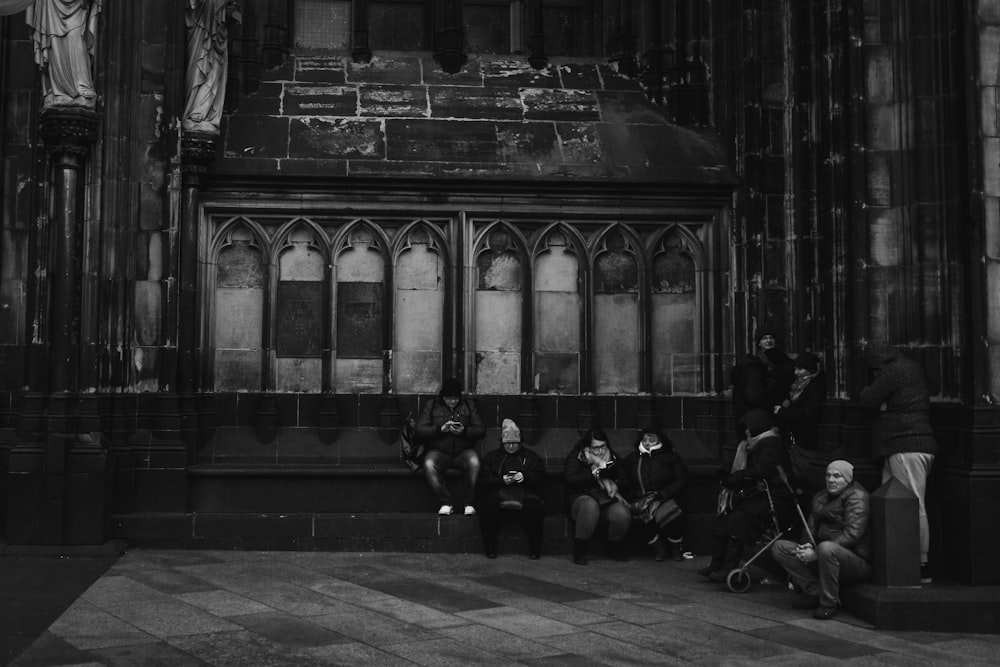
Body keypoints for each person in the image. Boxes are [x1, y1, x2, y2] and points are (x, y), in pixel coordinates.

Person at [859, 343, 938, 581]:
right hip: (907, 445)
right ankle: (899, 561)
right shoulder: (910, 367)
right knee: (894, 504)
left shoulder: (893, 371)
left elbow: (867, 399)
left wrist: (876, 397)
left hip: (905, 445)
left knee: (911, 505)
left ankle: (918, 562)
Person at [699, 409, 795, 582]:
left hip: (775, 497)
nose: (747, 433)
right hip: (761, 494)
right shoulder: (758, 444)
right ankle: (717, 562)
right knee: (726, 517)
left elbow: (760, 470)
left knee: (739, 518)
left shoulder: (770, 444)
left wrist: (736, 477)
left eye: (749, 430)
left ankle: (730, 566)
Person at [772, 460, 872, 620]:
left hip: (853, 560)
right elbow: (809, 528)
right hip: (822, 552)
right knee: (780, 547)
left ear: (847, 479)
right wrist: (807, 545)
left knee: (827, 549)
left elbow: (853, 533)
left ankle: (828, 604)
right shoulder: (821, 497)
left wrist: (817, 553)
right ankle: (816, 592)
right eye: (828, 475)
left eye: (837, 476)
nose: (831, 480)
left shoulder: (857, 497)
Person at [415, 377, 485, 517]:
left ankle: (469, 503)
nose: (453, 401)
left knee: (474, 462)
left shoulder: (468, 405)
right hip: (439, 450)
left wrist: (464, 431)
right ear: (443, 397)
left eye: (455, 398)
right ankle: (446, 502)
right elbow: (420, 430)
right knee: (429, 464)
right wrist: (440, 430)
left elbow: (481, 429)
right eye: (449, 398)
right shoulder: (432, 405)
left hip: (463, 451)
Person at [476, 418, 546, 559]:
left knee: (533, 506)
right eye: (508, 443)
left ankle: (535, 549)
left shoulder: (531, 457)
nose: (511, 447)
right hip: (497, 493)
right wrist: (501, 481)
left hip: (525, 493)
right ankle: (490, 549)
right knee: (488, 505)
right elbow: (483, 479)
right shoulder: (492, 458)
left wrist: (524, 477)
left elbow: (540, 477)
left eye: (515, 443)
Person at [563, 428, 632, 565]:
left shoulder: (613, 457)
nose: (600, 451)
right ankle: (580, 550)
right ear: (587, 447)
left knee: (622, 514)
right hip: (581, 497)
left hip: (606, 498)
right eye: (596, 448)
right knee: (590, 506)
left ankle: (614, 546)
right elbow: (571, 479)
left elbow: (625, 481)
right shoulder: (578, 456)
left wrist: (615, 481)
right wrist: (595, 475)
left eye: (603, 446)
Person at [620, 429, 688, 561]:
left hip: (664, 498)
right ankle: (659, 548)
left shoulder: (671, 457)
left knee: (672, 515)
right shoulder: (633, 458)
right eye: (644, 440)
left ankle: (675, 548)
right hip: (642, 499)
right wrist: (634, 494)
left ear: (660, 440)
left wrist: (663, 494)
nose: (647, 444)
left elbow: (681, 479)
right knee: (639, 519)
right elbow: (624, 480)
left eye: (652, 440)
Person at [25, 0, 102, 109]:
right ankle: (58, 90)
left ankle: (81, 85)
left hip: (77, 6)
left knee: (75, 38)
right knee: (54, 42)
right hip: (52, 4)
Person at [773, 351, 827, 489]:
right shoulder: (800, 385)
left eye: (800, 368)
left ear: (810, 369)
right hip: (795, 438)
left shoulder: (814, 386)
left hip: (806, 439)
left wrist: (782, 412)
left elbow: (807, 413)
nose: (796, 372)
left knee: (803, 476)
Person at [730, 326, 794, 439]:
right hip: (763, 408)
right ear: (759, 343)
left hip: (781, 406)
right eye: (764, 338)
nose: (768, 341)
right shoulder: (755, 363)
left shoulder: (784, 361)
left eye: (771, 338)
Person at [183, 0, 232, 133]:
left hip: (216, 36)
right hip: (200, 30)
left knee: (215, 73)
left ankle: (206, 115)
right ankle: (194, 115)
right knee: (199, 71)